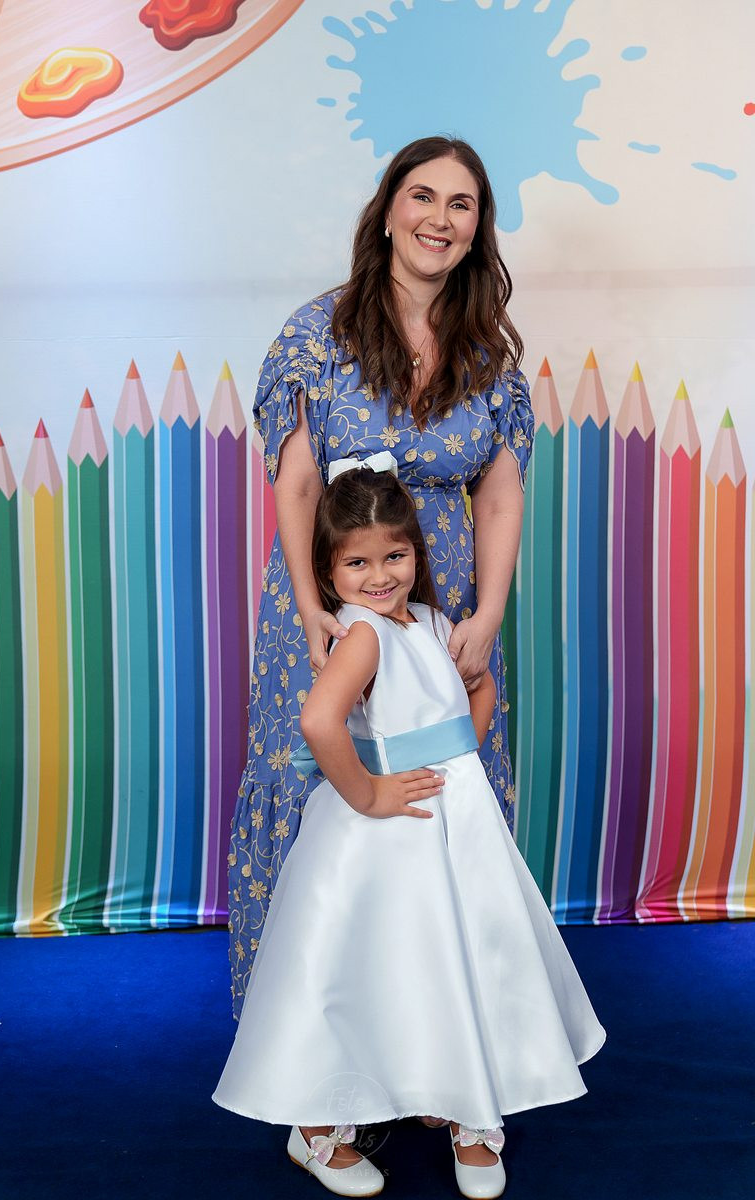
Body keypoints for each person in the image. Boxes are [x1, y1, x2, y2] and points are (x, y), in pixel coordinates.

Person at [214, 463, 605, 1198]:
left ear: (416, 553)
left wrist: (465, 741)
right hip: (389, 830)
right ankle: (317, 1126)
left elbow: (472, 699)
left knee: (458, 952)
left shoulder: (430, 623)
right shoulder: (361, 635)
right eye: (357, 563)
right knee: (372, 962)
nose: (379, 576)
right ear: (329, 572)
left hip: (455, 821)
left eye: (394, 556)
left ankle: (463, 1100)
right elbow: (319, 721)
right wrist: (368, 794)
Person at [228, 135, 535, 1019]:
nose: (440, 218)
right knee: (321, 789)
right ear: (389, 211)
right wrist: (308, 608)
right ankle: (308, 1032)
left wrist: (488, 615)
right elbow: (297, 485)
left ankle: (443, 1030)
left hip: (443, 610)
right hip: (329, 601)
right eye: (422, 196)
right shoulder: (317, 334)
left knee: (440, 790)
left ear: (477, 229)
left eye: (461, 204)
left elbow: (500, 498)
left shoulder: (488, 354)